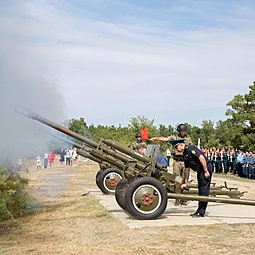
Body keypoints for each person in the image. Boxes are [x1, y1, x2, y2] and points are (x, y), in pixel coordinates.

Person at [150, 123, 192, 206]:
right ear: (179, 131)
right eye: (181, 131)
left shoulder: (188, 139)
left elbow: (191, 148)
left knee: (185, 179)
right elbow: (166, 139)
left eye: (184, 131)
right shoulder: (175, 137)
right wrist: (156, 138)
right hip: (176, 160)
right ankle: (177, 198)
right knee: (177, 178)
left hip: (185, 160)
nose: (183, 132)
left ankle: (183, 198)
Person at [170, 138, 212, 218]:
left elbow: (201, 158)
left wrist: (206, 171)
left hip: (205, 168)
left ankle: (201, 212)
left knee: (204, 190)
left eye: (176, 147)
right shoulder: (185, 154)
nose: (176, 149)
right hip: (200, 170)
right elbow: (187, 170)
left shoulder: (190, 149)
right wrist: (186, 182)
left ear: (181, 145)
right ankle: (200, 210)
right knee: (201, 189)